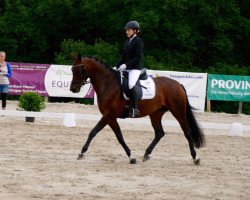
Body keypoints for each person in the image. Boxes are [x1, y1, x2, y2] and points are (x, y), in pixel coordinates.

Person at [115, 20, 144, 117]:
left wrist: (126, 65)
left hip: (135, 69)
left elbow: (137, 58)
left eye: (129, 30)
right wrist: (117, 66)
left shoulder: (138, 41)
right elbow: (123, 58)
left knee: (131, 84)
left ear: (135, 31)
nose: (126, 32)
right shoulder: (127, 42)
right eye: (126, 30)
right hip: (126, 68)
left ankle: (135, 108)